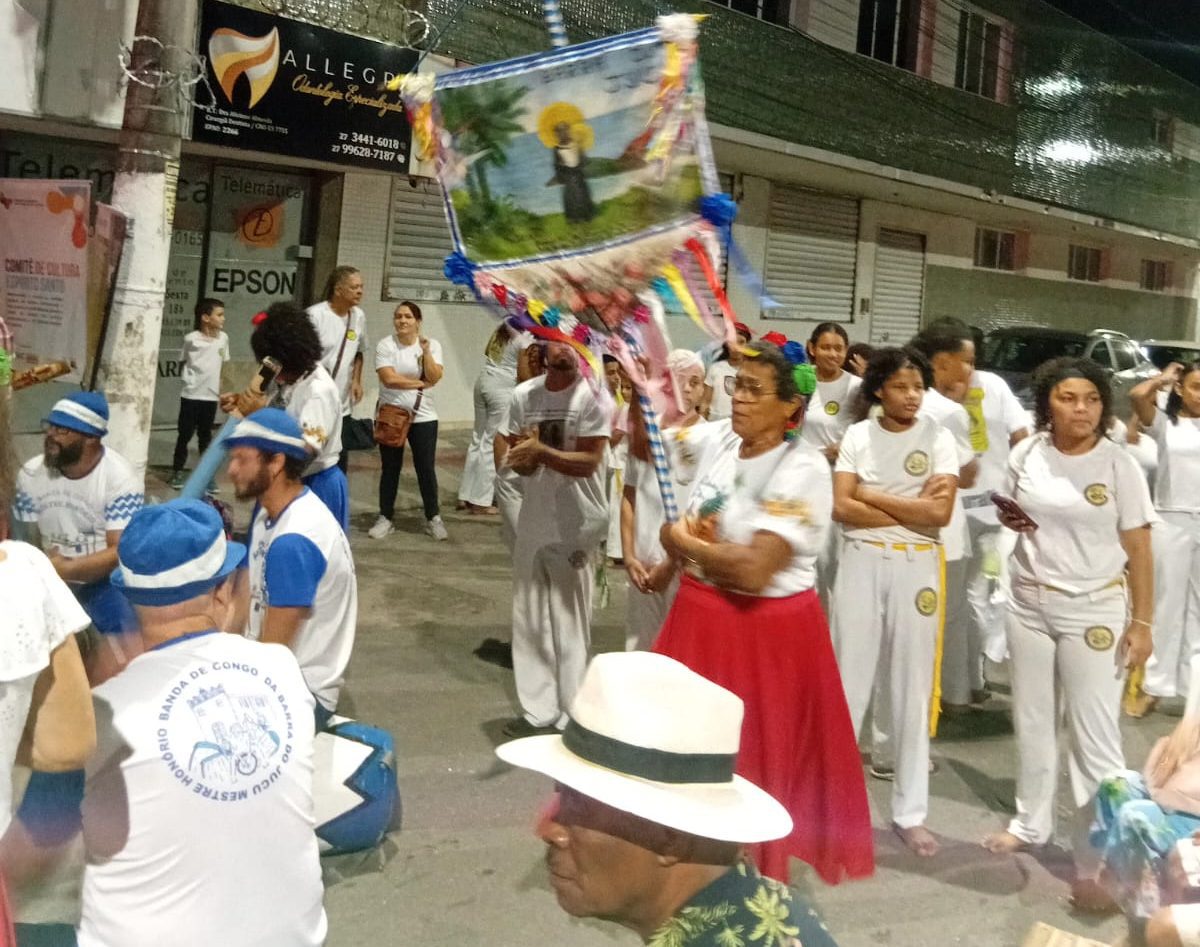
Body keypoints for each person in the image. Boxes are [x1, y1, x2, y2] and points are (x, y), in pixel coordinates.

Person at [654, 341, 873, 884]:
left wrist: (685, 543)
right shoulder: (722, 443)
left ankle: (752, 881)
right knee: (689, 750)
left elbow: (754, 570)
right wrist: (642, 378)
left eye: (755, 389)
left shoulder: (801, 470)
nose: (741, 399)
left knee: (752, 762)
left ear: (790, 409)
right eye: (736, 385)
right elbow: (651, 444)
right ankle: (690, 861)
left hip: (763, 634)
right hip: (700, 619)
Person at [79, 499, 326, 946]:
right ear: (221, 591)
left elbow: (39, 846)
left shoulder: (101, 713)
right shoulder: (282, 669)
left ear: (132, 598)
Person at [495, 650, 840, 947]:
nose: (549, 829)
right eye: (562, 796)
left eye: (579, 806)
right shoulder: (776, 902)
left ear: (670, 840)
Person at [982, 357, 1156, 912]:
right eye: (1068, 398)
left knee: (1095, 741)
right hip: (1029, 602)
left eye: (1092, 399)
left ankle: (1100, 861)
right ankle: (1030, 823)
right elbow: (1011, 511)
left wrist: (1143, 623)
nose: (1081, 409)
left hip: (1095, 609)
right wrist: (1019, 525)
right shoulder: (1026, 453)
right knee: (1033, 722)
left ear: (1104, 406)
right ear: (1046, 403)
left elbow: (1140, 549)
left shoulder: (1118, 464)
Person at [830, 346, 958, 857]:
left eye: (918, 387)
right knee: (848, 683)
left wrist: (873, 495)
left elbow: (940, 515)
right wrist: (912, 508)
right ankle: (835, 806)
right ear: (879, 389)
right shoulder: (859, 436)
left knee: (910, 686)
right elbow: (841, 507)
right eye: (902, 387)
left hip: (918, 566)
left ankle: (910, 813)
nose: (911, 396)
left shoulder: (940, 439)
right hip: (862, 559)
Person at [499, 341, 609, 738]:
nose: (565, 348)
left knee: (570, 619)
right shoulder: (524, 395)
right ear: (542, 345)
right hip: (535, 515)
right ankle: (538, 711)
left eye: (573, 341)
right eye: (556, 339)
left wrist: (541, 452)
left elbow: (590, 461)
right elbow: (514, 448)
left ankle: (574, 713)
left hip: (578, 521)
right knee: (529, 614)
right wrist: (519, 461)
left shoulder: (592, 396)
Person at [224, 409, 358, 732]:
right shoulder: (268, 514)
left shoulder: (294, 541)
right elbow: (242, 599)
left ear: (276, 462)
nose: (231, 470)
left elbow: (274, 655)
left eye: (242, 459)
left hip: (300, 696)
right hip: (276, 678)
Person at [934, 317, 1029, 702]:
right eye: (964, 359)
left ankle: (970, 681)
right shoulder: (925, 395)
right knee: (952, 600)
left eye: (973, 360)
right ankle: (961, 682)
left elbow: (1020, 433)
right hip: (952, 512)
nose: (970, 368)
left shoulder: (994, 386)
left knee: (981, 595)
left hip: (993, 510)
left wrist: (1021, 484)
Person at [12, 392, 142, 646]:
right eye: (50, 427)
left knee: (125, 642)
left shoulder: (120, 479)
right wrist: (46, 574)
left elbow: (121, 551)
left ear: (91, 437)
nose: (51, 435)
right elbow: (24, 541)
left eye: (62, 431)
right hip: (46, 580)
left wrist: (68, 569)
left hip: (102, 583)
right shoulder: (30, 473)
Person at [1091, 656, 1200, 940]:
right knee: (1116, 785)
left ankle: (1144, 927)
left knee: (1135, 817)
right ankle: (1129, 893)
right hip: (1182, 792)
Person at [223, 302, 348, 530]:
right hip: (281, 482)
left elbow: (301, 456)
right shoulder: (287, 377)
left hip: (314, 482)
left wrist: (256, 417)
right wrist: (242, 402)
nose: (273, 372)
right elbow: (274, 406)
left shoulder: (318, 391)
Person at [908, 325, 981, 715]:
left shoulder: (890, 400)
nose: (970, 371)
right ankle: (950, 697)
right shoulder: (948, 411)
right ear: (940, 363)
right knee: (947, 619)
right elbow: (969, 473)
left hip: (901, 527)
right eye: (966, 362)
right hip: (944, 530)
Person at [621, 349, 709, 651]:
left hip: (684, 566)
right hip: (643, 565)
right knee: (641, 652)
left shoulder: (710, 439)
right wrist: (629, 555)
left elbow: (705, 511)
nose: (686, 389)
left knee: (680, 655)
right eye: (678, 380)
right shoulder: (646, 435)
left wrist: (672, 563)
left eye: (694, 382)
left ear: (703, 390)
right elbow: (630, 497)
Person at [1125, 361, 1200, 717]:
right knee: (1166, 605)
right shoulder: (1166, 424)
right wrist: (1164, 379)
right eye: (1196, 386)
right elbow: (1137, 395)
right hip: (1171, 518)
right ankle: (1154, 685)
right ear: (1182, 389)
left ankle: (1193, 690)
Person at [368, 300, 447, 541]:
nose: (402, 321)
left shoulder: (431, 345)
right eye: (398, 316)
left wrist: (425, 353)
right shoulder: (385, 344)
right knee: (390, 468)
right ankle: (385, 517)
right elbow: (388, 378)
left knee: (426, 468)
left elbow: (436, 375)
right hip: (392, 414)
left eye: (408, 317)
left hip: (424, 416)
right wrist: (420, 383)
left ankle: (433, 518)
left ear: (418, 322)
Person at [457, 324, 528, 515]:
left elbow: (487, 350)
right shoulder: (525, 336)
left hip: (483, 381)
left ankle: (465, 496)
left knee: (478, 440)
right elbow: (523, 375)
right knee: (492, 442)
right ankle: (481, 501)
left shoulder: (503, 326)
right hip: (501, 390)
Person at [307, 265, 367, 473]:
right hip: (315, 401)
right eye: (354, 287)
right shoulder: (315, 316)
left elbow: (359, 352)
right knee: (311, 456)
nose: (360, 291)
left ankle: (334, 500)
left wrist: (357, 381)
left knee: (339, 458)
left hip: (342, 405)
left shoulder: (358, 317)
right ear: (338, 290)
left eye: (361, 287)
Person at [170, 297, 229, 491]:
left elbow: (223, 365)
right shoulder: (191, 339)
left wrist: (220, 388)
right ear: (205, 317)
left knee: (206, 437)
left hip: (210, 397)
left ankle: (206, 476)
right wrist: (189, 380)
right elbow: (182, 361)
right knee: (184, 434)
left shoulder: (223, 339)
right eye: (219, 315)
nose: (223, 319)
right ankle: (177, 471)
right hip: (191, 395)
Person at [701, 322, 752, 421]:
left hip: (742, 424)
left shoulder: (753, 371)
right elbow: (705, 402)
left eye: (741, 342)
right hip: (715, 425)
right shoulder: (715, 368)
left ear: (747, 345)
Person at [550, 121, 595, 223]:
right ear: (556, 135)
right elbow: (556, 165)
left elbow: (584, 159)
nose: (563, 134)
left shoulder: (576, 144)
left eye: (565, 131)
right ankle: (574, 218)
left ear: (569, 131)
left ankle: (587, 215)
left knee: (583, 194)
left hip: (578, 173)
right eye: (559, 132)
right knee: (571, 197)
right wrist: (561, 170)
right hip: (568, 175)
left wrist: (581, 161)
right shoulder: (557, 149)